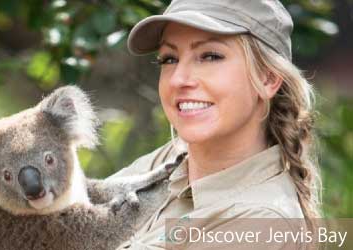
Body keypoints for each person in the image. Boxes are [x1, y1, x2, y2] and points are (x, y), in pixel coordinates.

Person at [108, 0, 322, 249]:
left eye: (210, 56)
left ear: (268, 78)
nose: (178, 79)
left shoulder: (262, 224)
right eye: (169, 59)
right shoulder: (171, 162)